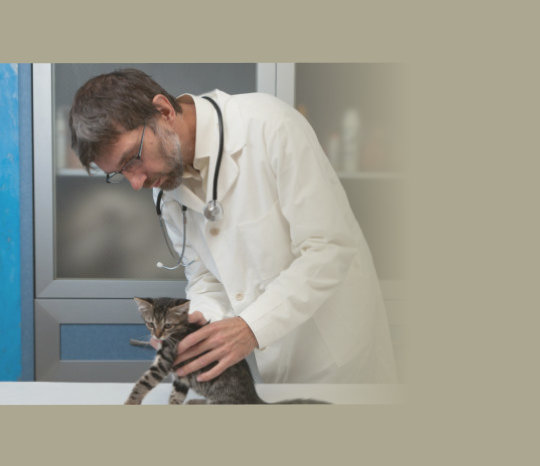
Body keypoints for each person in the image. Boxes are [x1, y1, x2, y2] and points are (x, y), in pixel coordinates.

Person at [69, 68, 397, 383]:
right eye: (119, 173)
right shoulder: (166, 186)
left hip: (339, 359)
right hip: (276, 365)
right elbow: (204, 276)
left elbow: (328, 248)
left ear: (164, 111)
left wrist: (250, 328)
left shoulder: (270, 126)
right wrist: (196, 325)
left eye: (132, 159)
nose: (136, 183)